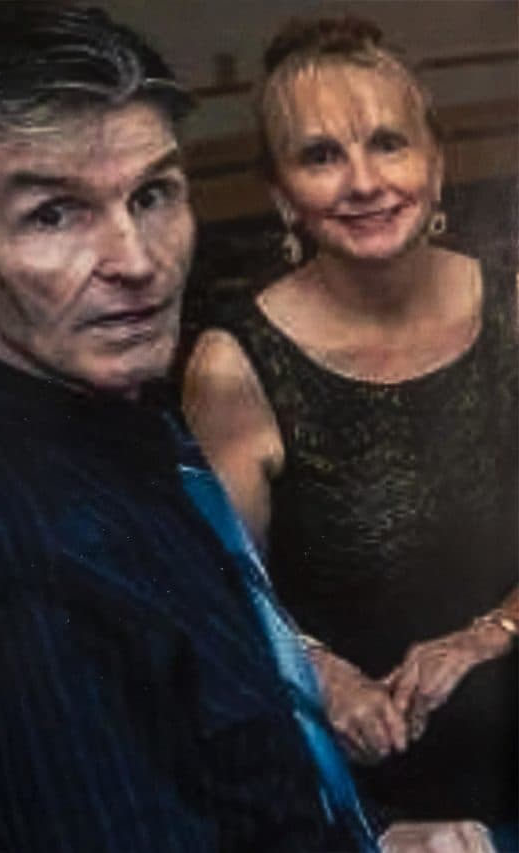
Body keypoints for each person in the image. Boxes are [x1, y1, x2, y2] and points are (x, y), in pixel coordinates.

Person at [0, 4, 393, 850]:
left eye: (152, 194)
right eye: (54, 214)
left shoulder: (88, 375)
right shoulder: (2, 575)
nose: (136, 260)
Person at [183, 16, 518, 849]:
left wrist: (493, 630)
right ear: (280, 192)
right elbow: (218, 610)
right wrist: (321, 673)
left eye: (388, 143)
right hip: (369, 809)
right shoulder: (233, 367)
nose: (363, 182)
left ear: (435, 162)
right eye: (320, 155)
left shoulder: (517, 313)